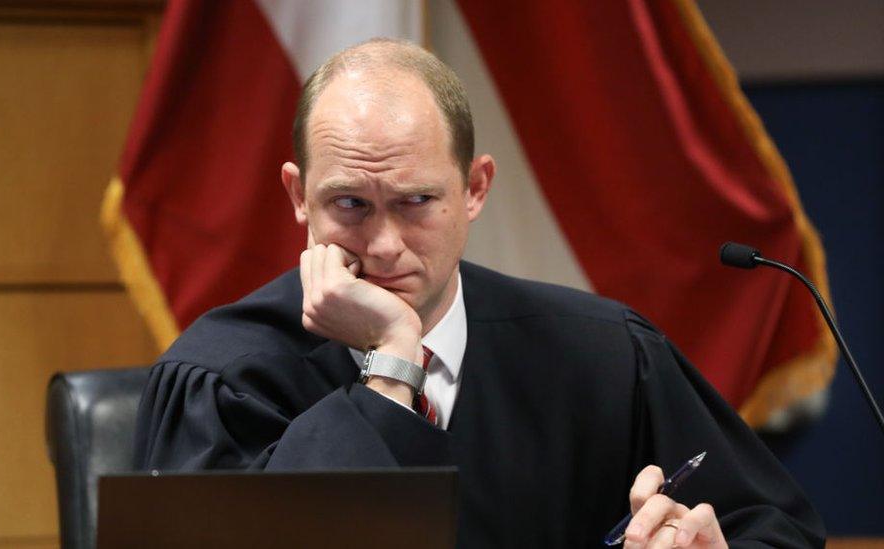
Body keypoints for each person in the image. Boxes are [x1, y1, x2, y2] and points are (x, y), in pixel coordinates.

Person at [133, 39, 824, 548]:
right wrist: (391, 361)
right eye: (350, 204)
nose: (382, 244)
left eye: (416, 202)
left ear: (475, 190)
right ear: (297, 197)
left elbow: (777, 528)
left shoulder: (602, 355)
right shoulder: (222, 378)